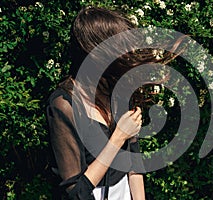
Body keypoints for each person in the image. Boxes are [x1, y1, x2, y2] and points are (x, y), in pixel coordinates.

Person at [46, 6, 183, 200]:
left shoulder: (116, 90)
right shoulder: (63, 105)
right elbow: (75, 193)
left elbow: (134, 165)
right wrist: (117, 137)